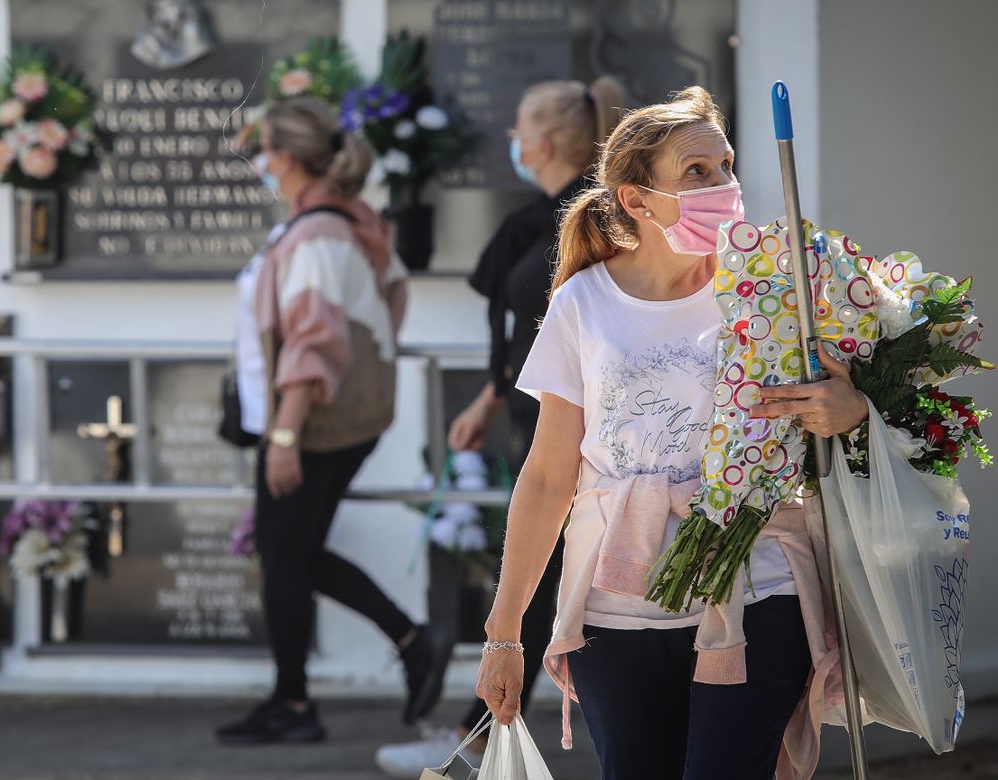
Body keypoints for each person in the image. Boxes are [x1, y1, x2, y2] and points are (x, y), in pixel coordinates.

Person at [475, 87, 865, 780]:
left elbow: (847, 412)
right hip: (614, 610)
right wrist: (504, 631)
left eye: (727, 165)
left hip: (758, 586)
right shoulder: (582, 303)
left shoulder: (780, 288)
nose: (725, 185)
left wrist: (851, 407)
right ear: (635, 199)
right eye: (697, 172)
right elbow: (546, 474)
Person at [372, 76, 624, 778]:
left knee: (545, 572)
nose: (511, 142)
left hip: (577, 427)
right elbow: (526, 337)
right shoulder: (536, 216)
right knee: (539, 571)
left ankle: (479, 727)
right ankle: (482, 724)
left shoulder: (592, 219)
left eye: (517, 129)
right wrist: (488, 400)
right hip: (533, 414)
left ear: (541, 143)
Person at [216, 96, 446, 745]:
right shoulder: (349, 220)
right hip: (336, 416)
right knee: (291, 551)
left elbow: (314, 344)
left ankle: (294, 704)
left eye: (263, 149)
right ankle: (408, 639)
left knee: (285, 558)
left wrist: (286, 433)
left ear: (286, 158)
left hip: (309, 423)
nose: (259, 161)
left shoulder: (318, 235)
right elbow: (393, 291)